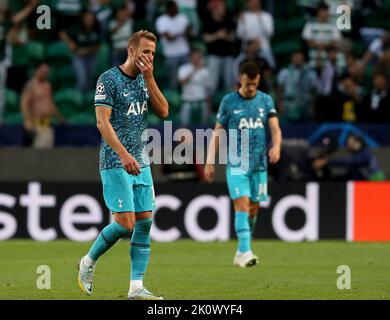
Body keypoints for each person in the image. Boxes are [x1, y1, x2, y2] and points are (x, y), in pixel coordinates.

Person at [77, 30, 169, 300]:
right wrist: (124, 155)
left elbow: (164, 111)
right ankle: (88, 262)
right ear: (132, 51)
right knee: (126, 223)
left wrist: (150, 78)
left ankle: (136, 287)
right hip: (116, 161)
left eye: (153, 53)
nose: (150, 57)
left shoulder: (145, 79)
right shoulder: (108, 79)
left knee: (145, 223)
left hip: (141, 161)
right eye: (145, 52)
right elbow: (102, 123)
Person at [204, 61, 282, 268]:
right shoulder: (228, 102)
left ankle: (241, 250)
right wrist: (210, 162)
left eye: (254, 84)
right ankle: (246, 251)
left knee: (253, 209)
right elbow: (217, 132)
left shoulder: (265, 100)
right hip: (237, 163)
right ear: (240, 79)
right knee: (242, 204)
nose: (251, 88)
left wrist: (277, 147)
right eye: (248, 83)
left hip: (259, 165)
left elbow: (275, 129)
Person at [20, 62, 66, 148]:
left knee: (47, 156)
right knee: (38, 155)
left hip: (48, 124)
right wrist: (27, 120)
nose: (45, 74)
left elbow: (50, 104)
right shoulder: (31, 85)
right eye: (43, 72)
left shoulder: (47, 85)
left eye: (46, 72)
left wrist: (59, 117)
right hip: (37, 125)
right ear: (36, 71)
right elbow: (24, 104)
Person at [313, 134, 385, 181]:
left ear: (358, 143)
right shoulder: (363, 153)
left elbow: (349, 162)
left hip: (374, 183)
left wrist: (327, 161)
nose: (348, 146)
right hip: (370, 181)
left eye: (350, 143)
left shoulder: (365, 154)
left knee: (351, 176)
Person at [155, 0, 191, 90]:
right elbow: (169, 38)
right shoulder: (161, 20)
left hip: (184, 52)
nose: (176, 10)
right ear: (169, 9)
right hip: (170, 54)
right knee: (173, 82)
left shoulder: (183, 17)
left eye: (176, 8)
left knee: (187, 80)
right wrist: (181, 32)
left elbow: (188, 33)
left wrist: (179, 33)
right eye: (174, 8)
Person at [61, 11, 101, 92]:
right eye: (87, 18)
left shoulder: (96, 29)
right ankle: (78, 100)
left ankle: (87, 102)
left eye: (91, 18)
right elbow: (62, 33)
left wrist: (86, 50)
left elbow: (98, 46)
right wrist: (70, 42)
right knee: (82, 80)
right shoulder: (77, 28)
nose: (89, 20)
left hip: (91, 56)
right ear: (83, 19)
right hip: (78, 57)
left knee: (90, 81)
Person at [202, 0, 236, 95]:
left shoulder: (228, 19)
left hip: (228, 55)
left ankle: (232, 108)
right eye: (221, 8)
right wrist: (217, 35)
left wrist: (227, 37)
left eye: (223, 7)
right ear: (215, 9)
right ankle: (208, 109)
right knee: (212, 84)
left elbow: (233, 37)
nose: (223, 10)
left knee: (229, 83)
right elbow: (205, 38)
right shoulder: (208, 20)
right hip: (214, 56)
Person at [276, 49, 317, 123]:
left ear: (303, 58)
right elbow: (280, 88)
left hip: (305, 105)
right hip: (289, 105)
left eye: (299, 56)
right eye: (295, 56)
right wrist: (280, 103)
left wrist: (312, 105)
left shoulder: (310, 73)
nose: (297, 58)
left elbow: (313, 90)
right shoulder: (285, 72)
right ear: (292, 58)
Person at [237, 0, 275, 69]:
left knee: (271, 66)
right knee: (239, 66)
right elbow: (239, 35)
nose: (254, 4)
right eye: (251, 2)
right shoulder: (243, 16)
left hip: (263, 47)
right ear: (248, 4)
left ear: (259, 3)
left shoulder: (266, 16)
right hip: (247, 49)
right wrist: (242, 22)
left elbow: (270, 33)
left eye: (255, 2)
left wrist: (261, 21)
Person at [178, 47, 211, 125]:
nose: (196, 58)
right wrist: (195, 69)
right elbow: (182, 82)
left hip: (202, 103)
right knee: (184, 128)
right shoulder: (184, 68)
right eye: (194, 56)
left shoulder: (205, 71)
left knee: (203, 129)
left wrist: (209, 106)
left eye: (198, 56)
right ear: (190, 57)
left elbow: (208, 90)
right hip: (187, 102)